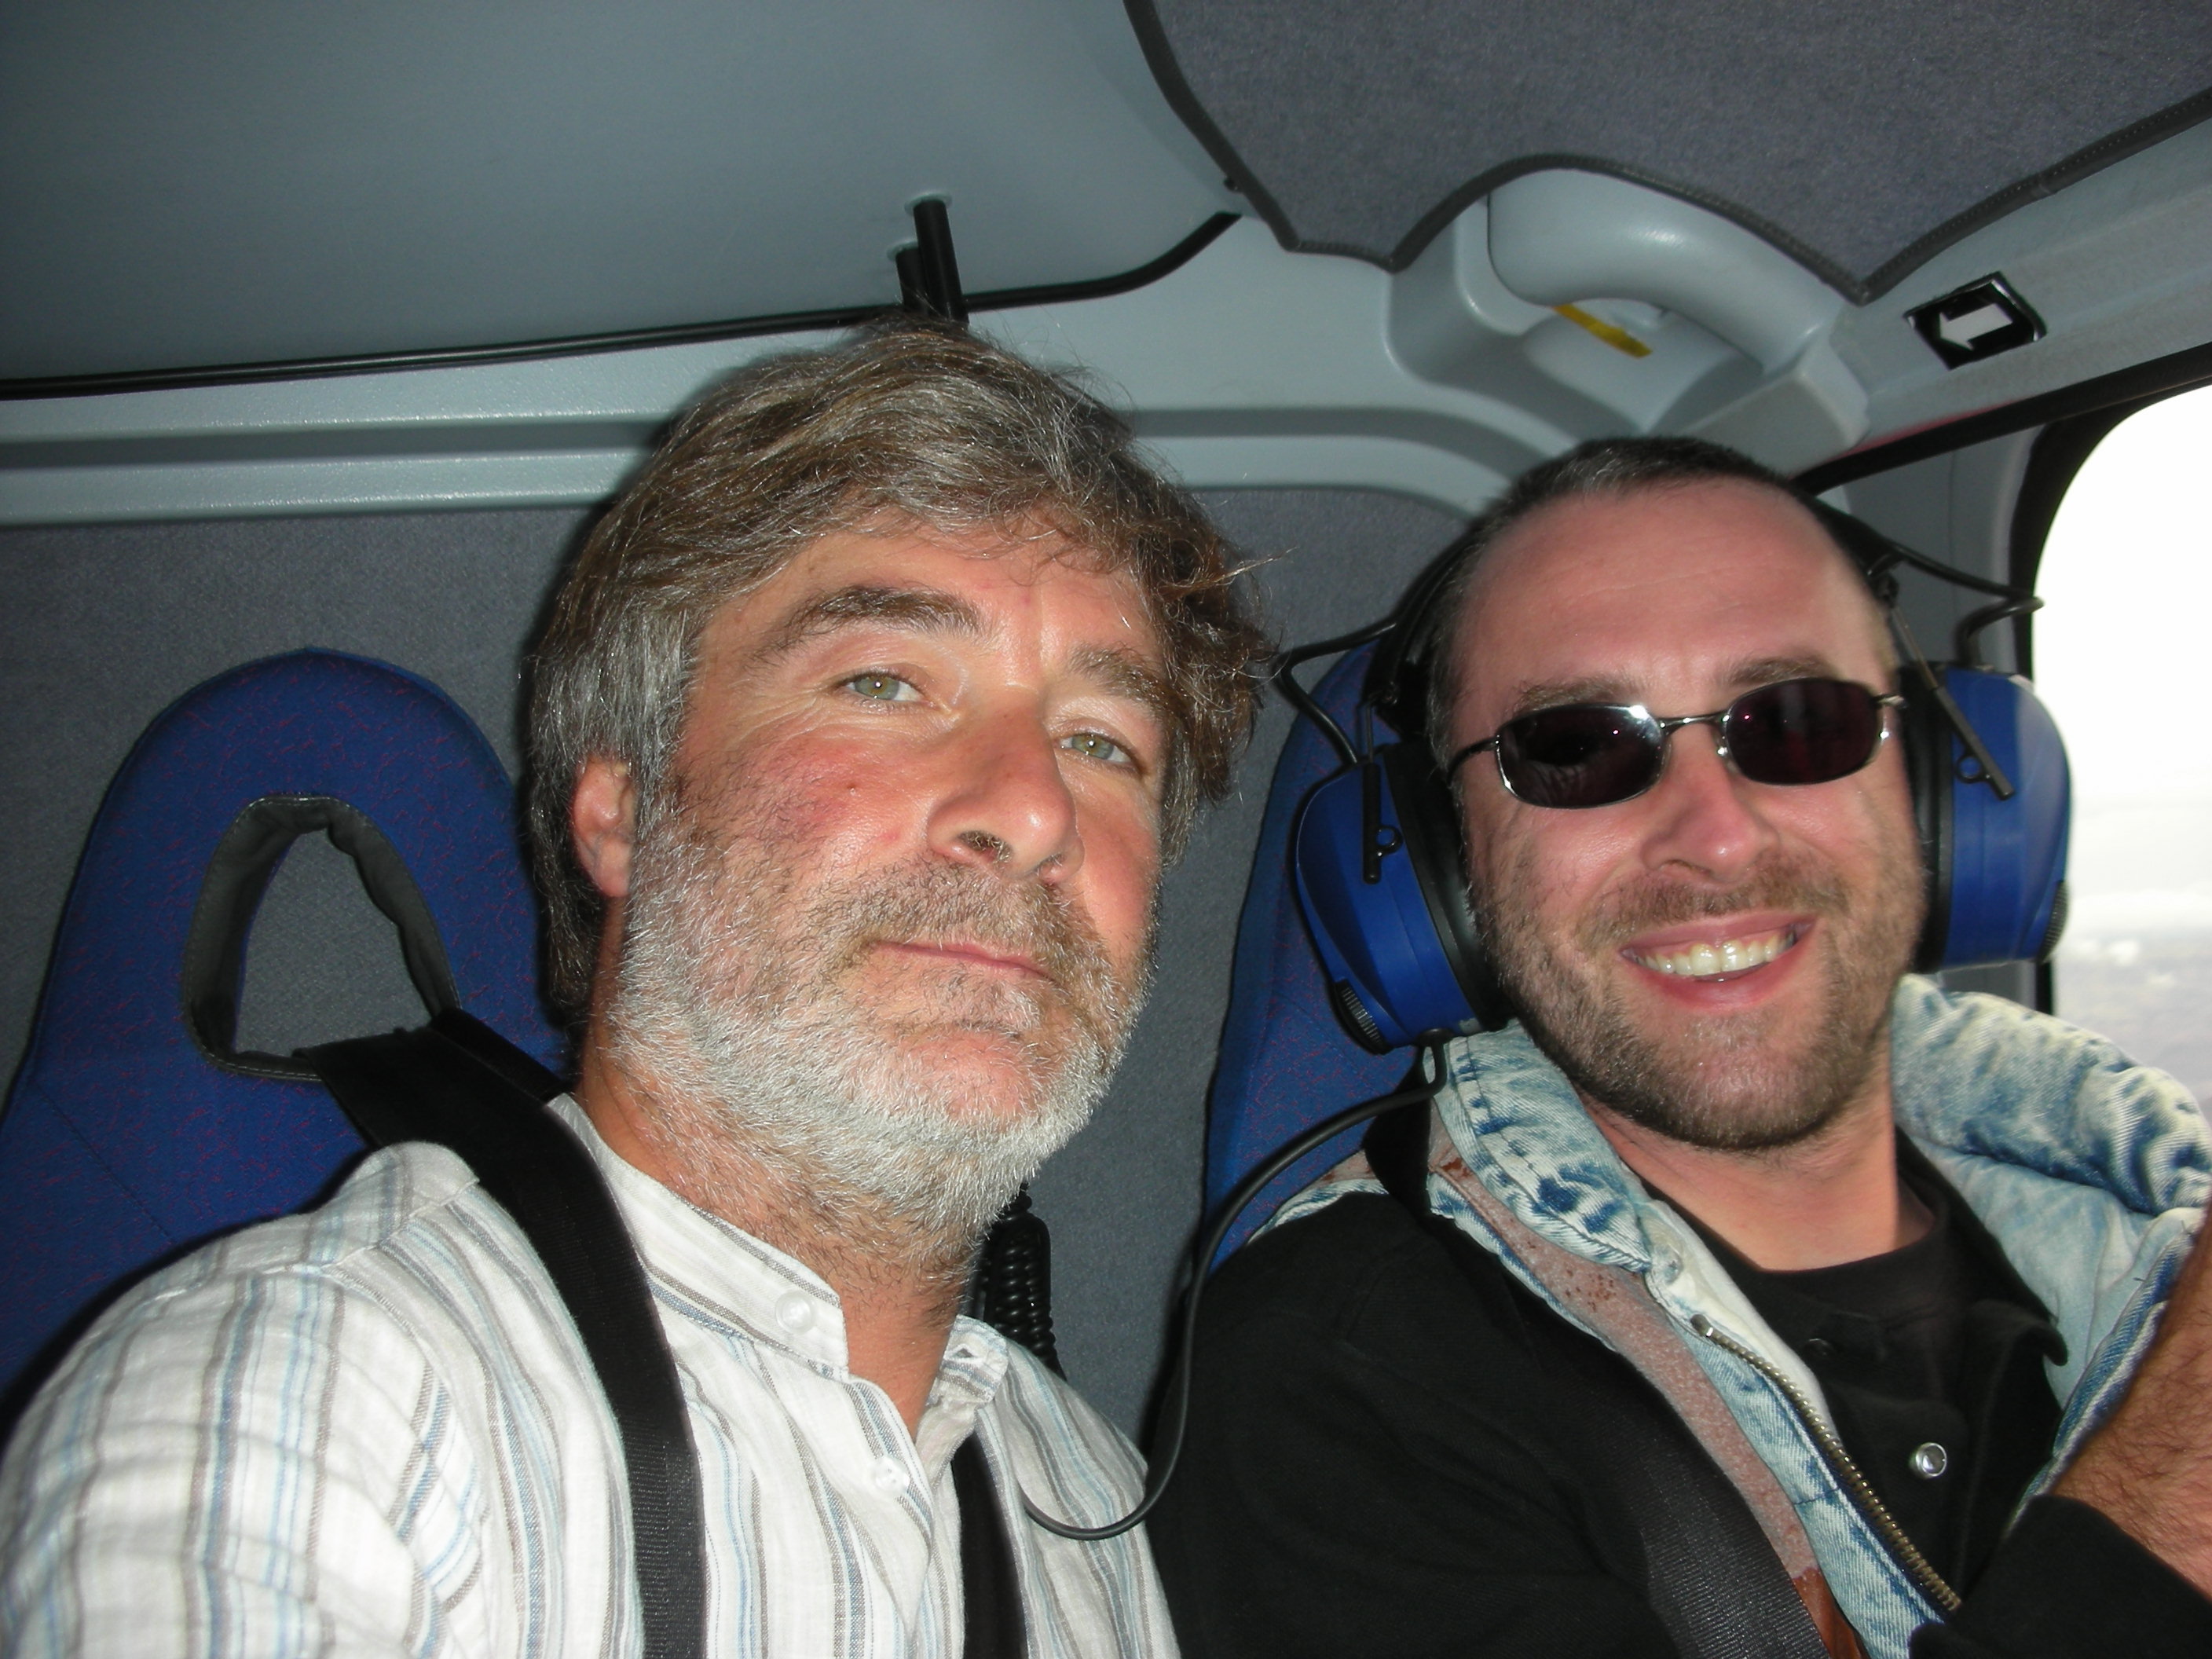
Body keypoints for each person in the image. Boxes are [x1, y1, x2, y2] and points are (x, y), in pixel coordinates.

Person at [0, 324, 1269, 1656]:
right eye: (884, 682)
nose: (1034, 809)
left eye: (1101, 742)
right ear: (621, 808)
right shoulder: (314, 1397)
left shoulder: (1087, 1498)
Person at [1148, 437, 2212, 1658]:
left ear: (1932, 787)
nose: (1714, 836)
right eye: (1575, 747)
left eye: (1799, 723)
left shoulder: (2150, 1216)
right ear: (1445, 865)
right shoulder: (1337, 1372)